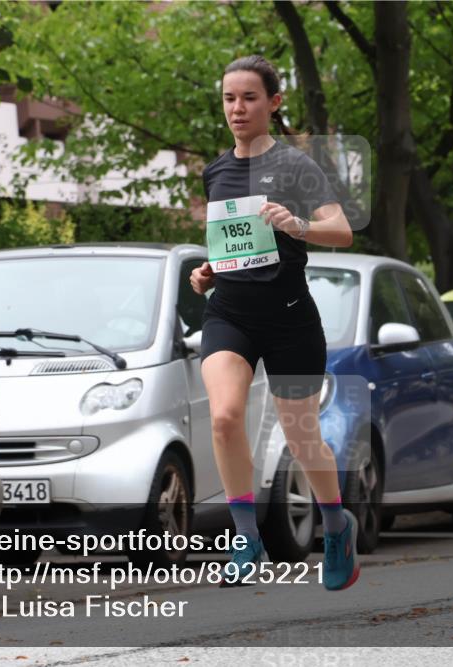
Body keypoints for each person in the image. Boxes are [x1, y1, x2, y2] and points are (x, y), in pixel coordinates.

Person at [189, 56, 358, 590]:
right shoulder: (215, 171)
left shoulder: (296, 167)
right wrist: (212, 269)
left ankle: (335, 527)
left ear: (273, 102)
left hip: (289, 319)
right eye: (229, 99)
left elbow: (343, 230)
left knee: (302, 437)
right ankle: (246, 538)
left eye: (249, 98)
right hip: (230, 314)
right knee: (223, 418)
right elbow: (237, 244)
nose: (237, 109)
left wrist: (299, 224)